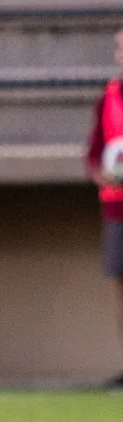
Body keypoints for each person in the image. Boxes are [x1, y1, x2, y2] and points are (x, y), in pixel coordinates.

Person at [85, 27, 123, 388]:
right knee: (121, 290)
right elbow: (94, 151)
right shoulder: (108, 97)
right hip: (117, 210)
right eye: (118, 48)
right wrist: (102, 175)